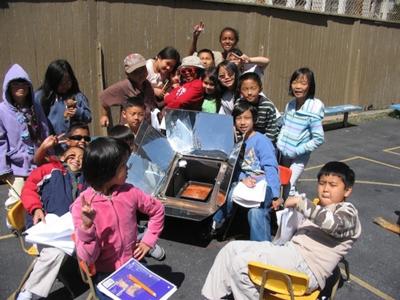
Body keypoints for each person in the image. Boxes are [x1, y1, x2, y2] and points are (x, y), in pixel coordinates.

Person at [202, 161, 361, 300]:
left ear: (347, 191)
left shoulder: (348, 213)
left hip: (306, 268)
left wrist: (300, 203)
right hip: (289, 253)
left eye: (333, 185)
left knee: (241, 265)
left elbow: (335, 225)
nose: (326, 189)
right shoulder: (320, 206)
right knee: (230, 250)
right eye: (322, 183)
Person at [70, 137, 165, 299]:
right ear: (107, 171)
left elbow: (157, 210)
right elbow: (87, 257)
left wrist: (148, 241)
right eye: (123, 165)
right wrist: (87, 227)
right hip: (105, 274)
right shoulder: (82, 206)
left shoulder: (129, 192)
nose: (128, 168)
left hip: (133, 263)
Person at [17, 146, 86, 300]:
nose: (77, 159)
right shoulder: (50, 169)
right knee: (56, 251)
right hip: (45, 225)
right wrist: (35, 208)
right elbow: (28, 189)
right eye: (72, 155)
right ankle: (28, 294)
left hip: (72, 229)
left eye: (81, 157)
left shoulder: (86, 179)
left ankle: (29, 292)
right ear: (62, 157)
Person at [212, 101, 280, 242]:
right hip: (246, 183)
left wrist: (275, 195)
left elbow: (271, 168)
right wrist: (243, 178)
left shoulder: (262, 141)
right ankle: (215, 223)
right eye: (238, 118)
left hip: (263, 184)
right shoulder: (236, 141)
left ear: (254, 119)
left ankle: (262, 248)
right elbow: (235, 167)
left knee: (256, 213)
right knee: (226, 192)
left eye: (247, 118)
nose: (242, 122)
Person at [0, 64, 49, 221]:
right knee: (17, 197)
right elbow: (1, 141)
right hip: (17, 166)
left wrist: (50, 155)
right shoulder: (2, 111)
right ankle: (16, 223)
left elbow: (44, 131)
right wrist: (3, 167)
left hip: (37, 161)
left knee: (40, 195)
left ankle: (37, 224)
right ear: (8, 87)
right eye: (15, 84)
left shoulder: (35, 107)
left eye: (24, 84)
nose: (20, 88)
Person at [277, 67, 324, 199]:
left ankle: (294, 212)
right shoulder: (290, 105)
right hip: (284, 154)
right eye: (295, 82)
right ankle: (288, 212)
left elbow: (318, 139)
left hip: (298, 157)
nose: (298, 87)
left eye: (303, 83)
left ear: (310, 86)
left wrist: (297, 151)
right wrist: (279, 142)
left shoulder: (313, 108)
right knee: (283, 184)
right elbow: (284, 125)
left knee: (288, 186)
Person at [35, 59, 92, 136]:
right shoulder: (40, 97)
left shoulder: (77, 96)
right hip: (51, 143)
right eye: (61, 83)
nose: (65, 86)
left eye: (68, 82)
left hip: (73, 143)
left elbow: (88, 117)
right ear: (53, 82)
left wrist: (77, 111)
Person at [99, 53, 157, 127]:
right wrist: (104, 115)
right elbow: (104, 98)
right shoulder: (123, 86)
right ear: (127, 74)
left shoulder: (147, 84)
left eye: (142, 70)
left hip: (147, 127)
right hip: (130, 129)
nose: (140, 74)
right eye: (135, 72)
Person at [237, 72, 279, 144]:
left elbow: (271, 132)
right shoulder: (239, 104)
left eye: (253, 88)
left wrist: (259, 145)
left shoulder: (268, 106)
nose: (249, 92)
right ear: (240, 91)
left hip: (263, 142)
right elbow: (236, 128)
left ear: (260, 89)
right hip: (243, 141)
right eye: (245, 89)